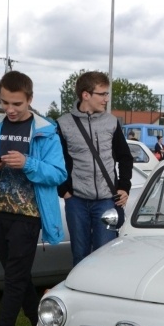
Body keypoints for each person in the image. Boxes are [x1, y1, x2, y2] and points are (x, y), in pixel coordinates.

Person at [0, 70, 66, 326]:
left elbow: (58, 174)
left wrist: (28, 163)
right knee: (19, 276)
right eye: (5, 103)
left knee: (13, 277)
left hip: (29, 214)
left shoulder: (46, 130)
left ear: (30, 99)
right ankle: (39, 322)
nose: (10, 110)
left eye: (16, 104)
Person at [56, 70, 134, 267]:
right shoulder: (63, 124)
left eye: (107, 94)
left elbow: (125, 157)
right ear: (86, 95)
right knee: (80, 255)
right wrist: (64, 190)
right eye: (103, 94)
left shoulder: (111, 122)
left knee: (105, 255)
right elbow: (58, 161)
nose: (106, 99)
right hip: (77, 201)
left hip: (106, 201)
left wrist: (124, 186)